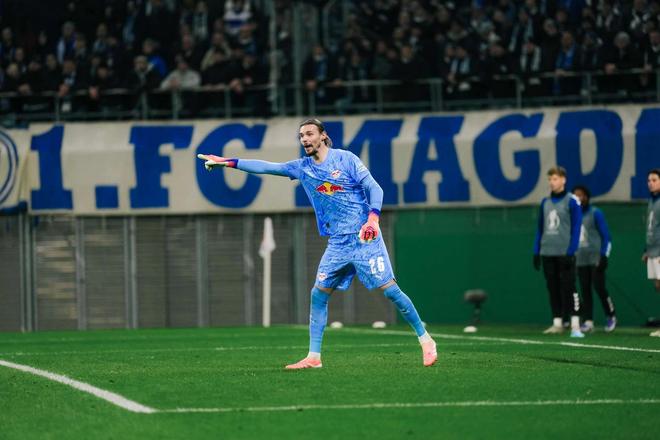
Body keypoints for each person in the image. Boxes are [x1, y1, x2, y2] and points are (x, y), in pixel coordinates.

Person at [198, 118, 438, 368]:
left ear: (323, 136)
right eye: (301, 135)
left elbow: (375, 188)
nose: (304, 139)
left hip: (364, 237)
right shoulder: (303, 168)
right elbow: (267, 167)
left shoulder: (346, 159)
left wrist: (373, 219)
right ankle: (314, 357)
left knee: (390, 290)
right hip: (337, 243)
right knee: (319, 294)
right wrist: (228, 162)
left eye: (309, 133)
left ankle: (426, 340)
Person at [533, 166, 585, 338]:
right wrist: (536, 251)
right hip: (548, 252)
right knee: (553, 287)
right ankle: (557, 323)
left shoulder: (572, 201)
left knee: (569, 287)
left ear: (563, 180)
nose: (552, 182)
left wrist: (571, 251)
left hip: (565, 253)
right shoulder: (545, 202)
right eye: (550, 179)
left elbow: (576, 228)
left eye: (555, 179)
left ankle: (575, 324)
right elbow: (540, 228)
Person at [572, 185, 616, 333]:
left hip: (595, 258)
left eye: (580, 195)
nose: (578, 198)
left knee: (599, 288)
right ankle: (588, 321)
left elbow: (607, 237)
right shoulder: (573, 215)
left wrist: (604, 256)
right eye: (575, 196)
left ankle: (611, 315)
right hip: (580, 259)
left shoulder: (595, 213)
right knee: (585, 290)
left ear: (586, 197)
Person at [643, 169, 660, 337]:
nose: (650, 183)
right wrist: (646, 250)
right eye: (649, 180)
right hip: (652, 251)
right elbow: (651, 228)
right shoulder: (651, 201)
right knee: (658, 286)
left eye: (654, 180)